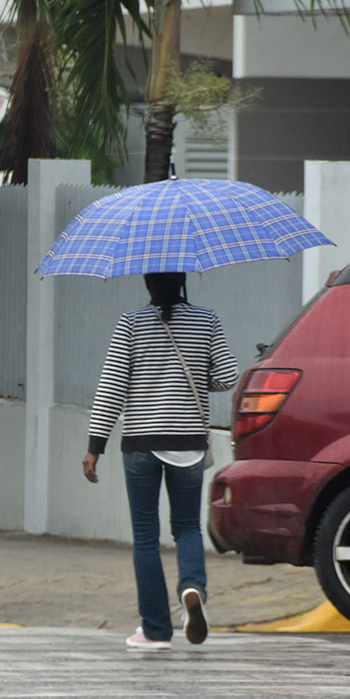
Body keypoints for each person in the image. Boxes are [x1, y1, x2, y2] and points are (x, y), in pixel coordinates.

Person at [82, 272, 238, 651]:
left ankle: (154, 630)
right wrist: (197, 379)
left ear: (149, 284)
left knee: (146, 537)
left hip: (141, 443)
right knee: (186, 527)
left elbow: (112, 386)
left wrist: (95, 446)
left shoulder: (131, 323)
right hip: (188, 441)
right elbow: (229, 375)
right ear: (183, 281)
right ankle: (192, 590)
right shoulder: (207, 319)